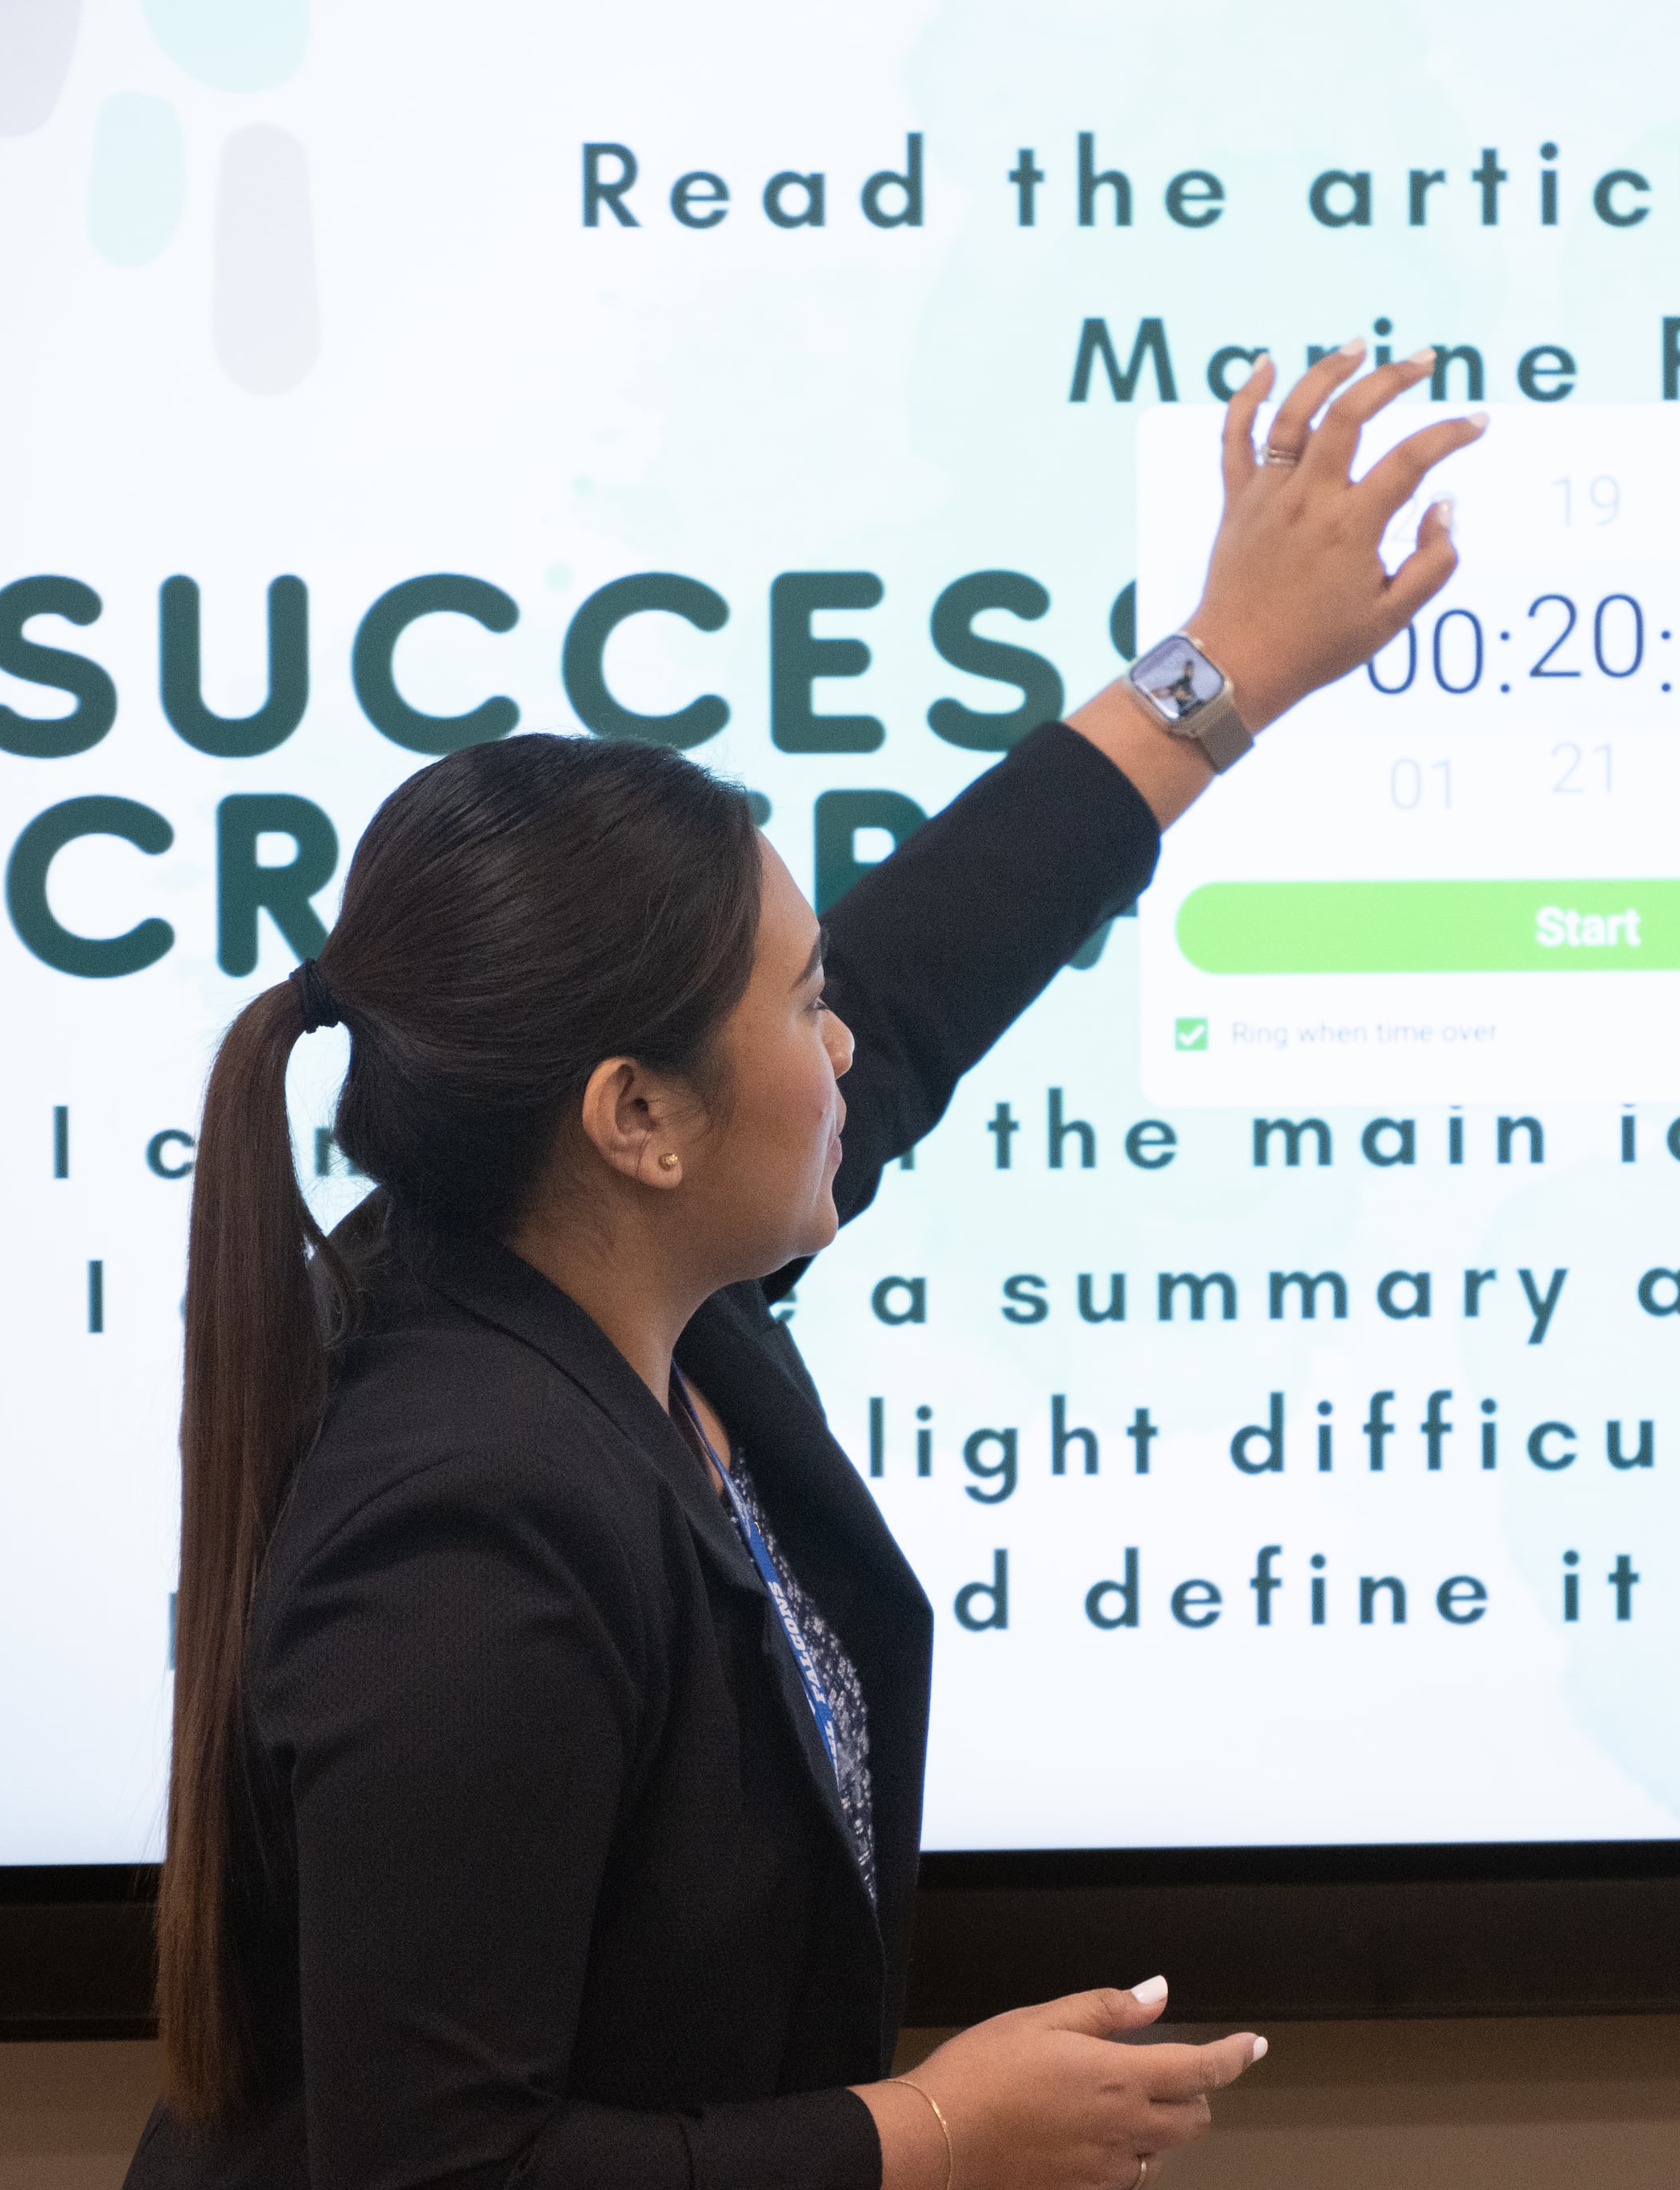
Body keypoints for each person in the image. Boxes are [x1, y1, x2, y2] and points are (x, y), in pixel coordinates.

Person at [126, 349, 1478, 2190]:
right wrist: (928, 2130)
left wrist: (1220, 667)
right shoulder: (468, 1522)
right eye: (801, 1001)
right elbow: (436, 2172)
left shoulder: (620, 1302)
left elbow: (925, 974)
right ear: (638, 1116)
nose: (846, 1045)